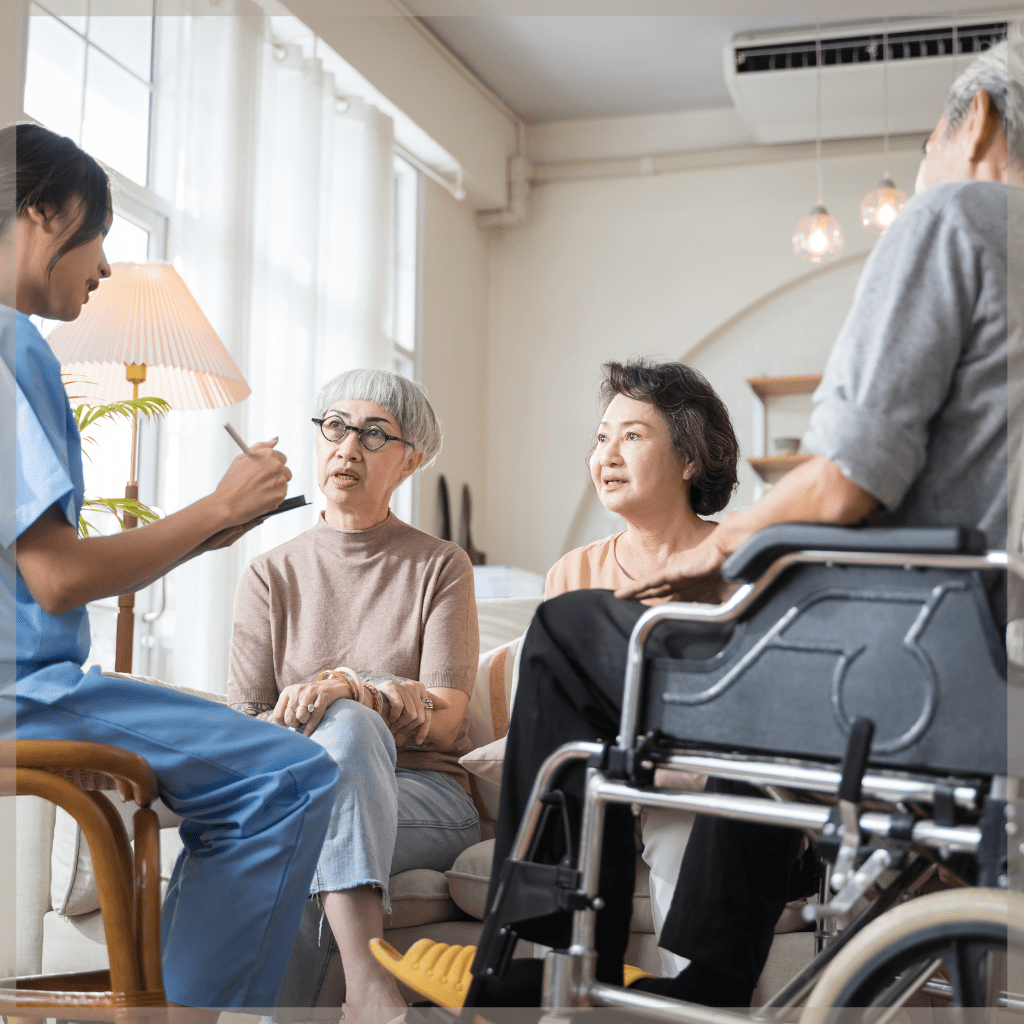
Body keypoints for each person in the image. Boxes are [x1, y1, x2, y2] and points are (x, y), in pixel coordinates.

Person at [381, 30, 1020, 1009]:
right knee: (738, 700)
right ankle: (714, 981)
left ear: (970, 119)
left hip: (886, 672)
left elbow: (846, 479)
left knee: (566, 631)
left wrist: (719, 550)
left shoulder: (953, 217)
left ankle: (532, 961)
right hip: (982, 684)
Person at [4, 121, 342, 1010]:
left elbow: (39, 569)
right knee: (291, 774)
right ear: (43, 210)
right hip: (18, 692)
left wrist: (200, 534)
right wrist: (217, 506)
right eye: (100, 233)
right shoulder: (10, 344)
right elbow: (56, 580)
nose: (105, 268)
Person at [227, 368, 480, 1016]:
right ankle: (370, 1002)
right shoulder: (267, 575)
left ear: (410, 460)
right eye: (336, 427)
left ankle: (366, 984)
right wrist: (297, 717)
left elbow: (449, 722)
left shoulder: (440, 565)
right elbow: (242, 723)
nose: (348, 447)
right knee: (305, 809)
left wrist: (351, 693)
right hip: (304, 790)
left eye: (374, 434)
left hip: (424, 797)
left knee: (348, 724)